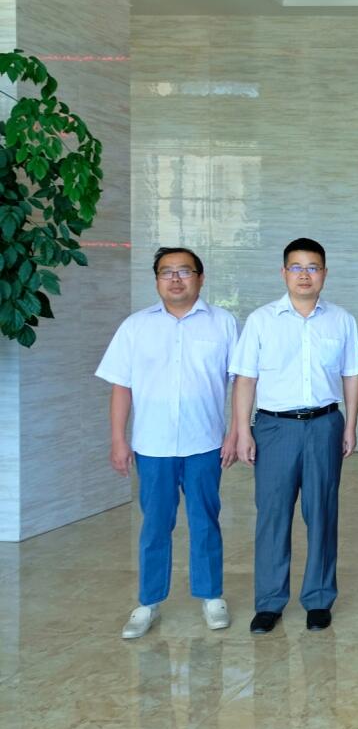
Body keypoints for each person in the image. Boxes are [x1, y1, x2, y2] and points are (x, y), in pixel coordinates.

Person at [96, 247, 239, 639]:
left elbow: (242, 381)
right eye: (166, 272)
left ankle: (211, 596)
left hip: (204, 442)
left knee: (205, 520)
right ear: (157, 279)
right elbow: (121, 387)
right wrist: (118, 439)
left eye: (184, 271)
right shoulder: (135, 327)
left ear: (201, 278)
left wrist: (235, 431)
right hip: (152, 445)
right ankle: (148, 602)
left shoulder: (223, 323)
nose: (175, 279)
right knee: (155, 524)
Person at [231, 238, 358, 634]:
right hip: (274, 428)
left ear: (325, 273)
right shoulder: (261, 320)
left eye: (313, 267)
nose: (305, 275)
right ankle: (269, 601)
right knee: (273, 515)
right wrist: (242, 431)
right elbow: (245, 379)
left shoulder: (341, 320)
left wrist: (350, 425)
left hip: (324, 425)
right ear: (284, 272)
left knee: (322, 513)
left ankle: (319, 598)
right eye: (296, 267)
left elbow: (351, 375)